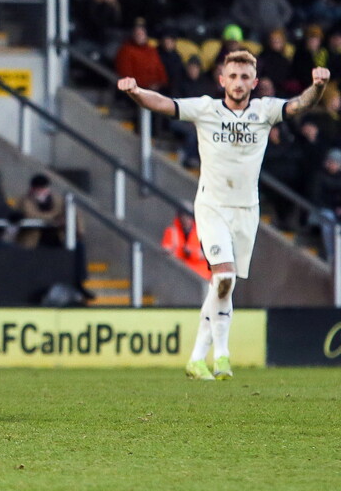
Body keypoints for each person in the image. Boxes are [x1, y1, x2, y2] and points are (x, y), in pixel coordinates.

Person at [118, 51, 329, 381]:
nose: (238, 82)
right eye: (232, 76)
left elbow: (300, 105)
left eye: (245, 77)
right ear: (222, 80)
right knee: (224, 277)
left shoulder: (265, 110)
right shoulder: (207, 109)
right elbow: (163, 103)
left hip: (247, 211)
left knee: (223, 286)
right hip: (212, 206)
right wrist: (135, 92)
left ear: (254, 82)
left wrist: (318, 86)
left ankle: (198, 359)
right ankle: (223, 356)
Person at [161, 208, 210, 280]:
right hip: (179, 276)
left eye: (188, 216)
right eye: (183, 215)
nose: (186, 219)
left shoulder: (203, 231)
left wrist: (192, 253)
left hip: (201, 277)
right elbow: (166, 251)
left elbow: (211, 254)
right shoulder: (172, 231)